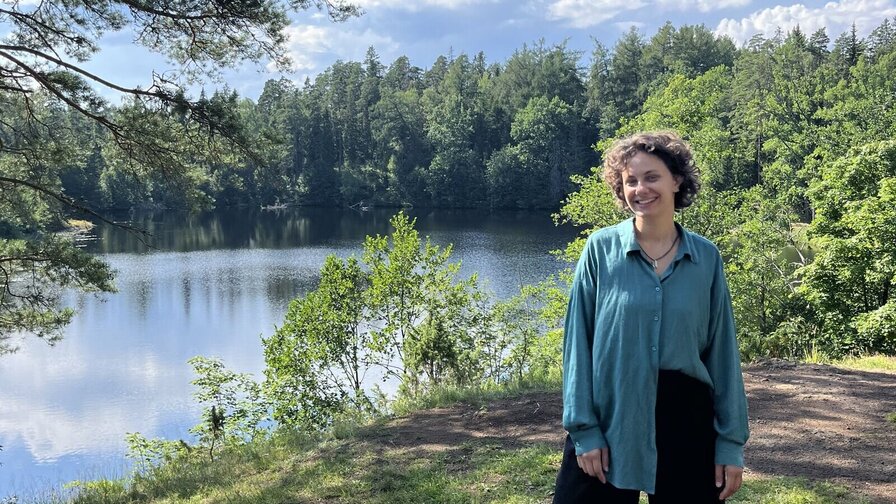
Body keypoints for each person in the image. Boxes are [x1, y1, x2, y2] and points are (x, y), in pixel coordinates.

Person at [553, 131, 749, 503]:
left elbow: (723, 355)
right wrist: (584, 430)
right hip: (611, 413)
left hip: (686, 418)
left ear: (677, 180)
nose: (640, 189)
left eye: (651, 177)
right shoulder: (600, 250)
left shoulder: (706, 259)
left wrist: (730, 443)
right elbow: (577, 345)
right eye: (631, 181)